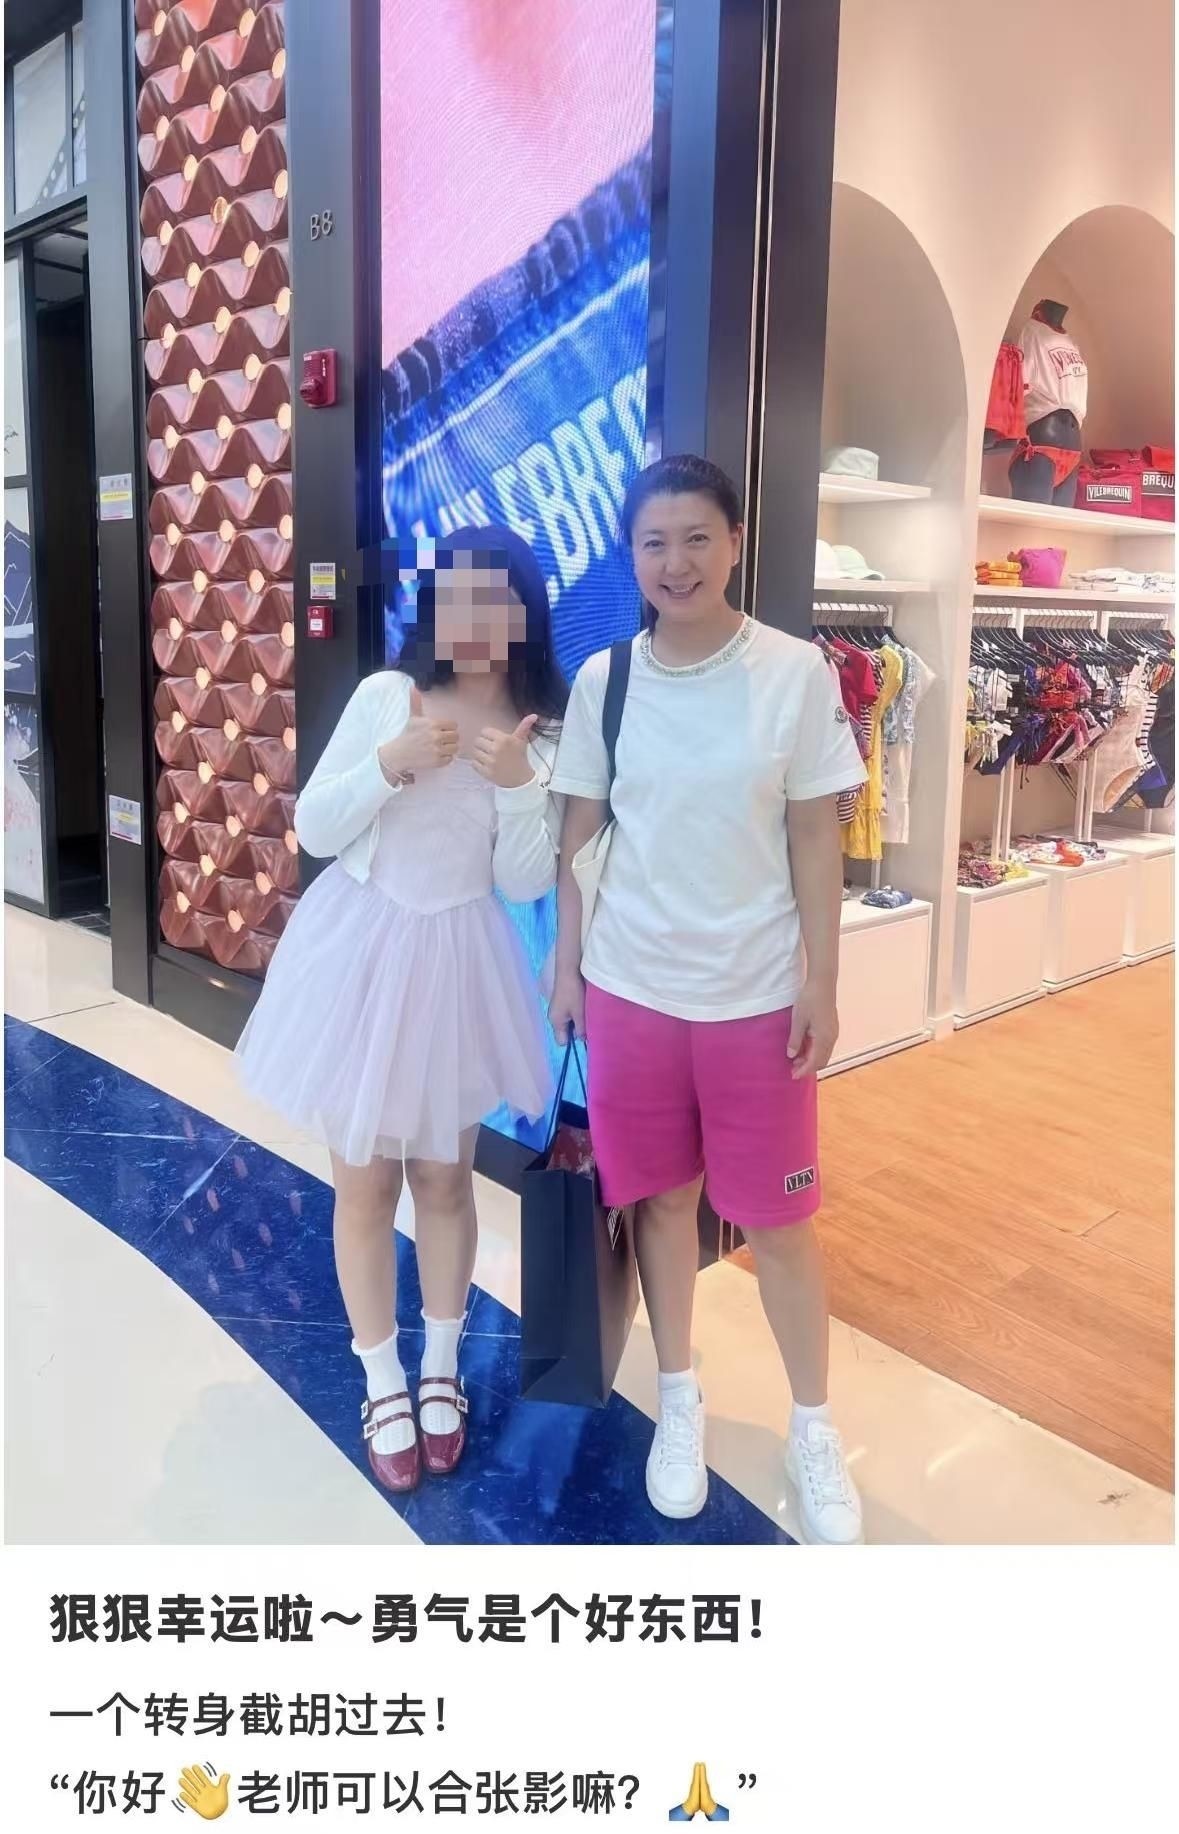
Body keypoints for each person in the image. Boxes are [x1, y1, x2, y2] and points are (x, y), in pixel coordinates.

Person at [548, 455, 869, 1544]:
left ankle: (813, 1425)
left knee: (779, 1221)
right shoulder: (606, 682)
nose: (675, 562)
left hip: (755, 996)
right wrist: (564, 967)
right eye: (654, 542)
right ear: (631, 556)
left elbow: (815, 834)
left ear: (734, 543)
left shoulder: (794, 672)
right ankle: (678, 1396)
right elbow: (580, 833)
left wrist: (821, 979)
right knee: (660, 1203)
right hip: (631, 988)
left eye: (696, 538)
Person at [237, 525, 567, 1494]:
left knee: (446, 1180)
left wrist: (518, 788)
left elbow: (522, 881)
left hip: (460, 961)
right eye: (457, 595)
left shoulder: (535, 729)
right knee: (365, 1184)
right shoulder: (392, 693)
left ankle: (440, 1367)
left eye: (495, 597)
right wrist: (390, 762)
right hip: (365, 955)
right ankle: (381, 1376)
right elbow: (313, 826)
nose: (475, 617)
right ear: (434, 605)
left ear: (522, 611)